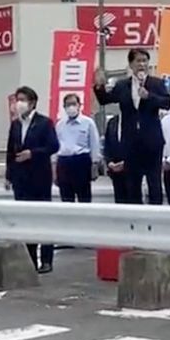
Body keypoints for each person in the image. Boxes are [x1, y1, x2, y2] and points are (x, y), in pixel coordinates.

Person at [93, 49, 170, 205]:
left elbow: (167, 103)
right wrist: (99, 86)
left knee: (154, 183)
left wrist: (149, 97)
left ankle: (156, 217)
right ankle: (135, 218)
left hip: (152, 142)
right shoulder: (122, 85)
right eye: (138, 61)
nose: (142, 64)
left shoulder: (156, 83)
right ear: (131, 64)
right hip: (130, 142)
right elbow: (105, 100)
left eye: (145, 61)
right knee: (132, 183)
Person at [5, 86, 58, 274]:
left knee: (43, 219)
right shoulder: (16, 124)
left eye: (22, 99)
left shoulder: (44, 123)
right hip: (21, 178)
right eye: (17, 99)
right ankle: (30, 259)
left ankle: (46, 259)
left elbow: (53, 146)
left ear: (32, 102)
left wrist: (32, 154)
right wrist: (9, 175)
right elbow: (10, 151)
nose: (19, 103)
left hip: (39, 177)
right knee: (25, 220)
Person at [54, 93, 101, 203]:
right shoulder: (60, 124)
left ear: (79, 105)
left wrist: (95, 165)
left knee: (84, 197)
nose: (71, 107)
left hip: (81, 161)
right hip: (64, 162)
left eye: (73, 104)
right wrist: (54, 169)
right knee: (66, 198)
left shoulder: (88, 122)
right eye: (68, 104)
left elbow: (94, 144)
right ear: (64, 107)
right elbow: (56, 147)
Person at [103, 109, 128, 203]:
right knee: (119, 200)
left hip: (131, 169)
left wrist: (126, 163)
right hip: (115, 169)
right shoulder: (113, 122)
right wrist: (109, 162)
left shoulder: (137, 120)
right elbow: (107, 144)